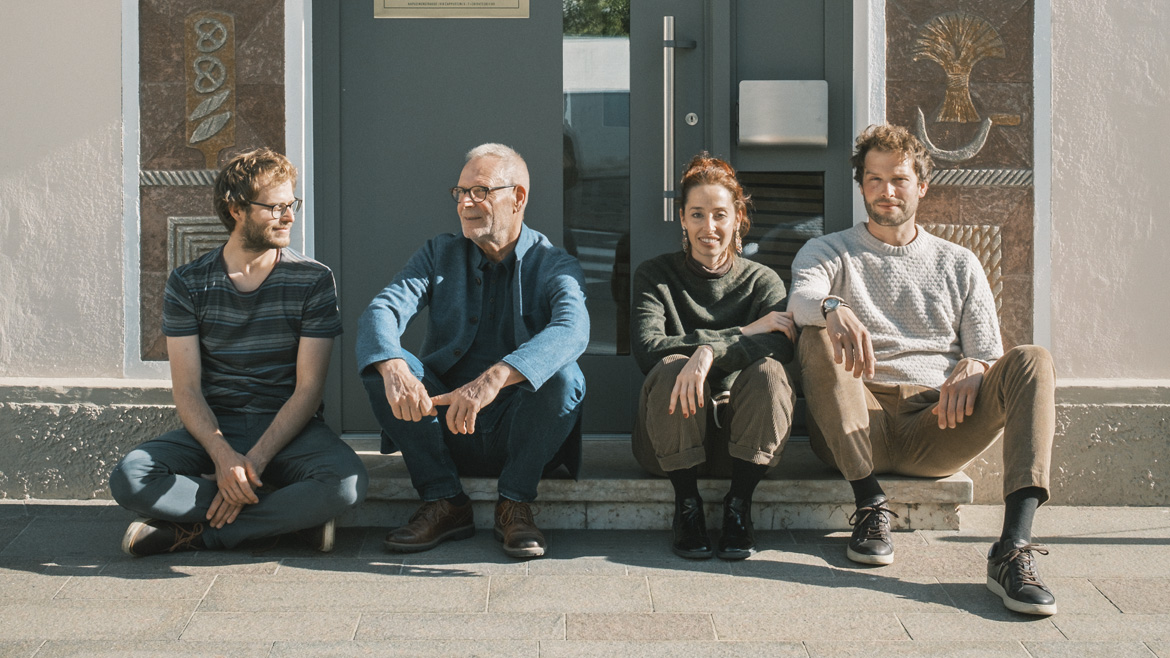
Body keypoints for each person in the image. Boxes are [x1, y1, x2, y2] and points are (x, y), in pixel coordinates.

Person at [789, 124, 1057, 615]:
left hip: (936, 421)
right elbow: (801, 298)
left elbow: (988, 351)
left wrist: (975, 364)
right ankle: (870, 504)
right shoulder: (828, 250)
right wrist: (832, 304)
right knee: (815, 331)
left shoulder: (959, 262)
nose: (886, 191)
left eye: (898, 179)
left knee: (1032, 360)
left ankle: (1012, 548)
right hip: (857, 418)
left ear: (922, 185)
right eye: (873, 179)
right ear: (861, 185)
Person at [110, 148, 368, 556]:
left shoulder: (313, 280)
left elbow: (308, 390)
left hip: (289, 431)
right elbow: (188, 390)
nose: (289, 217)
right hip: (216, 426)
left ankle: (197, 534)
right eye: (275, 207)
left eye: (291, 204)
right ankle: (285, 524)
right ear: (236, 209)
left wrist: (254, 463)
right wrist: (223, 456)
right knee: (131, 476)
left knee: (346, 483)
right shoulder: (188, 282)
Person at [357, 143, 588, 559]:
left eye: (479, 191)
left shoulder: (553, 262)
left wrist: (495, 377)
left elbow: (573, 330)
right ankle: (445, 500)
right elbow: (383, 309)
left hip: (518, 432)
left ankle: (515, 502)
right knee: (384, 363)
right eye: (460, 193)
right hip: (442, 422)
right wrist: (393, 366)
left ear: (517, 197)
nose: (465, 203)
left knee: (566, 375)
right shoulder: (438, 254)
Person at [632, 153, 796, 560]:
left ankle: (739, 506)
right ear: (683, 220)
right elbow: (648, 348)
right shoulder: (655, 276)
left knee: (770, 373)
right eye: (698, 215)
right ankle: (687, 508)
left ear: (738, 218)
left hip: (742, 446)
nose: (709, 228)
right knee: (671, 367)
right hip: (668, 444)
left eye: (720, 215)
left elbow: (781, 344)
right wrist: (740, 333)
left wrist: (709, 351)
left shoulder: (763, 281)